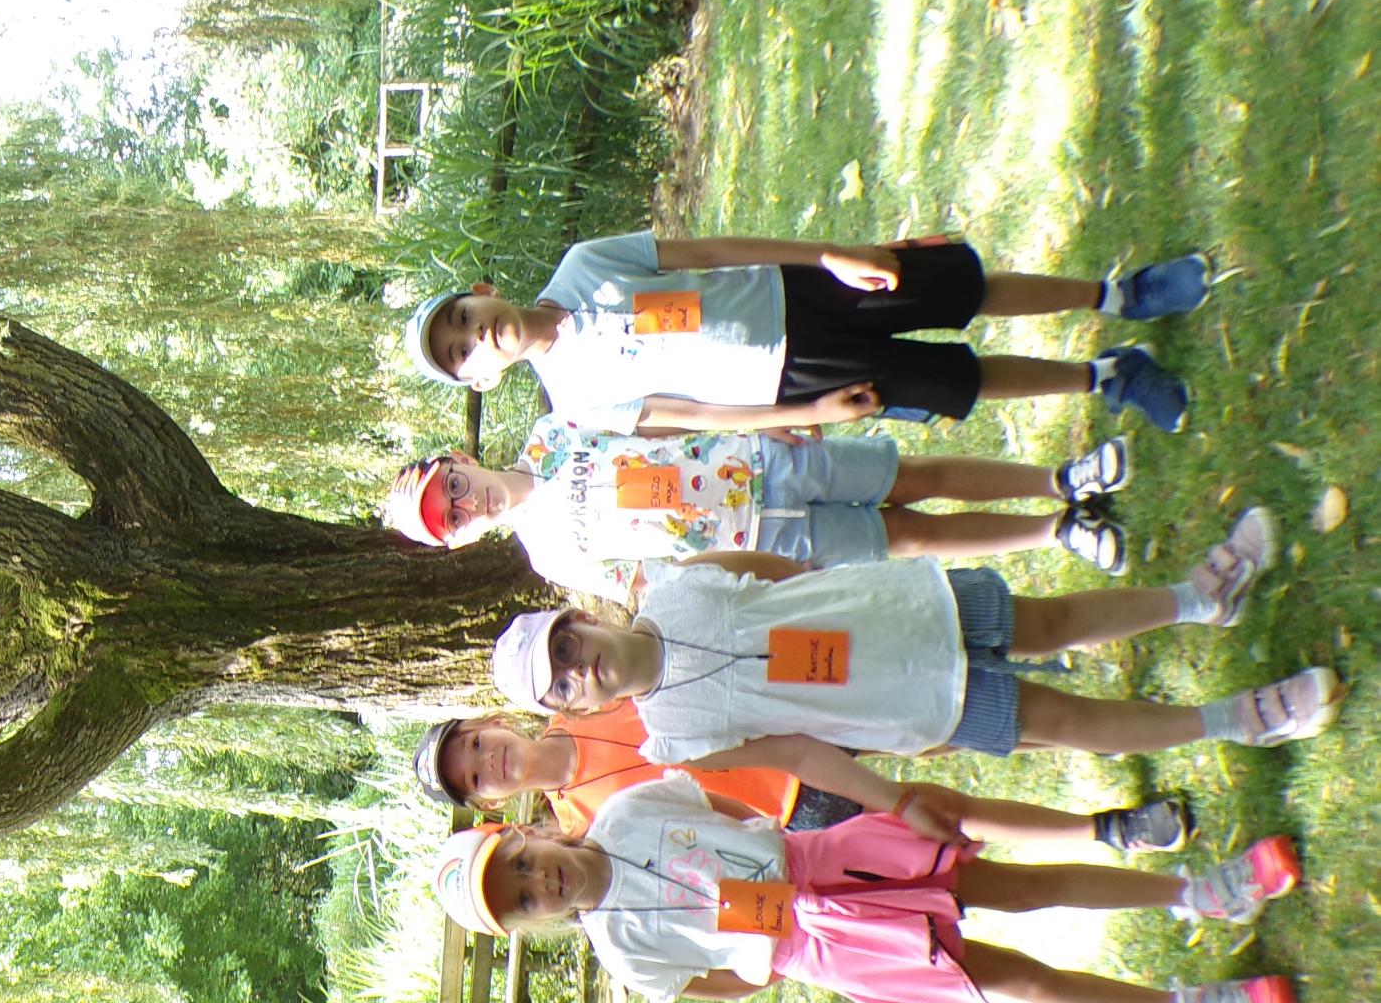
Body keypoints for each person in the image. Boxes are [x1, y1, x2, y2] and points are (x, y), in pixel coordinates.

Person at [428, 773, 1304, 1003]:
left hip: (833, 859)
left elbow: (720, 807)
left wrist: (779, 846)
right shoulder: (621, 949)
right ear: (531, 924)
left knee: (1020, 887)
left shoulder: (623, 810)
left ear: (528, 833)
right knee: (1016, 980)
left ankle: (1201, 893)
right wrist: (772, 961)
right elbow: (710, 983)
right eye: (523, 899)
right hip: (822, 947)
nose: (540, 883)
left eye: (523, 864)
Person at [487, 512, 1343, 761]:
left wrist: (866, 589)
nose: (577, 668)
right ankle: (1238, 720)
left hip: (904, 610)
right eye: (560, 685)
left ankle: (1199, 598)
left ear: (580, 619)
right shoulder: (675, 738)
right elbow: (797, 751)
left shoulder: (674, 580)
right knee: (1071, 721)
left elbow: (787, 573)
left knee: (1053, 618)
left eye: (564, 646)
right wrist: (903, 760)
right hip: (910, 704)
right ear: (574, 708)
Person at [403, 233, 1202, 435]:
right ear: (481, 379)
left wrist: (828, 255)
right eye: (462, 353)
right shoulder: (578, 405)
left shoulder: (586, 263)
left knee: (964, 292)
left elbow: (712, 253)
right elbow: (699, 416)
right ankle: (1111, 376)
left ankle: (1120, 293)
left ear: (482, 292)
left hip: (797, 291)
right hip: (793, 378)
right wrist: (808, 414)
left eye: (463, 318)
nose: (477, 335)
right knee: (958, 381)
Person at [383, 421, 1135, 584]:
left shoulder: (552, 432)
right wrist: (760, 577)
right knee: (909, 537)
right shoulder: (551, 557)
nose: (468, 504)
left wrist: (762, 419)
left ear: (459, 460)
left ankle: (1062, 480)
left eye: (452, 487)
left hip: (762, 461)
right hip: (765, 541)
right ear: (460, 541)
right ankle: (1057, 530)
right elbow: (652, 581)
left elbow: (656, 417)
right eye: (453, 521)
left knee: (916, 476)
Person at [411, 708, 1192, 853]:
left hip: (796, 722)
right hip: (796, 812)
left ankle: (1087, 723)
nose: (489, 760)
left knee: (950, 726)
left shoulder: (581, 693)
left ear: (491, 721)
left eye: (476, 744)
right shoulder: (584, 827)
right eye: (474, 777)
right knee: (949, 815)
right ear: (489, 802)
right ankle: (1110, 828)